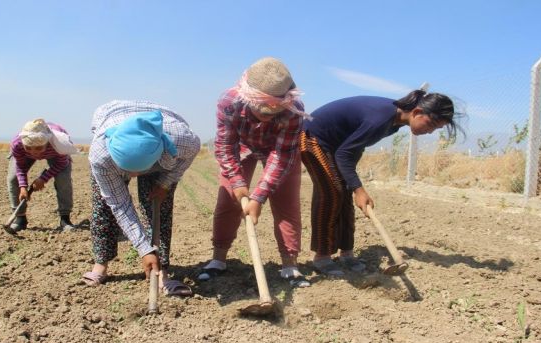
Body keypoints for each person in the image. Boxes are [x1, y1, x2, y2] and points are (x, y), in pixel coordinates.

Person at [300, 90, 464, 276]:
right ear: (417, 112)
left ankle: (346, 253)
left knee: (344, 192)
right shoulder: (380, 118)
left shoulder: (395, 122)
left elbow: (354, 146)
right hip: (313, 137)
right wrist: (359, 188)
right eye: (431, 125)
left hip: (338, 144)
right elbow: (344, 153)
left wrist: (352, 185)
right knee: (332, 193)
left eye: (436, 129)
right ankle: (322, 257)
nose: (430, 132)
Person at [198, 57, 311, 288]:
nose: (269, 116)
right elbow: (225, 146)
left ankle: (290, 265)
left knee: (287, 204)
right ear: (249, 99)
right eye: (263, 112)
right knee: (228, 200)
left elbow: (280, 156)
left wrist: (259, 197)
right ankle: (218, 259)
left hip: (280, 151)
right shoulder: (230, 101)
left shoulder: (294, 110)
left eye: (274, 112)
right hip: (242, 147)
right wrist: (240, 186)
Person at [82, 100, 200, 297]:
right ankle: (100, 264)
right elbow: (120, 205)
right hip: (112, 121)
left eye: (138, 170)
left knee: (158, 205)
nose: (133, 175)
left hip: (160, 140)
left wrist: (165, 182)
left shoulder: (182, 141)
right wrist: (144, 249)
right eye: (127, 170)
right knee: (103, 206)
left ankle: (162, 270)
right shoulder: (100, 155)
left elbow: (190, 154)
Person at [7, 118, 79, 233]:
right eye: (29, 148)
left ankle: (65, 219)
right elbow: (20, 167)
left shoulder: (59, 143)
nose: (34, 152)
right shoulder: (18, 144)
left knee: (63, 179)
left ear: (46, 142)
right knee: (13, 179)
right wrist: (22, 187)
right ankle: (20, 219)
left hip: (55, 152)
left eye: (39, 148)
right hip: (27, 153)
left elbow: (62, 163)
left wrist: (43, 179)